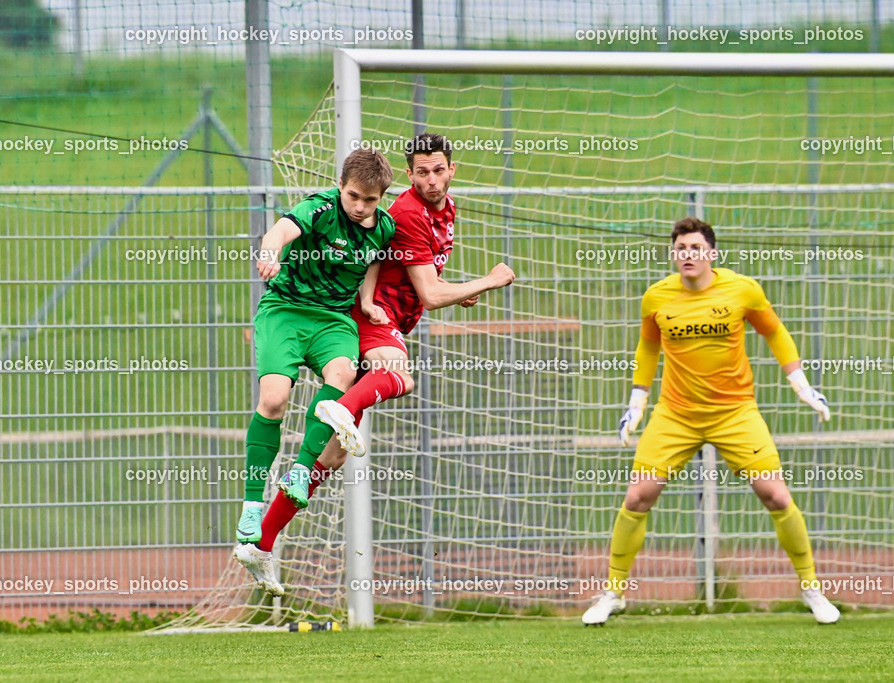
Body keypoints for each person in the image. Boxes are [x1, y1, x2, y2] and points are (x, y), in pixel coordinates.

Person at [243, 133, 515, 593]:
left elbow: (396, 265)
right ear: (409, 175)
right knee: (397, 376)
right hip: (374, 322)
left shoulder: (439, 212)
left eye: (439, 169)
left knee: (333, 455)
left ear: (452, 169)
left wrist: (453, 289)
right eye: (422, 171)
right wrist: (486, 282)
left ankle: (260, 544)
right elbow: (430, 294)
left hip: (383, 313)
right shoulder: (404, 212)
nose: (431, 179)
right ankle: (339, 410)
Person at [582, 217, 840, 625]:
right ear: (674, 254)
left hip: (735, 413)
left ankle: (812, 589)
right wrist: (637, 400)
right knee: (637, 498)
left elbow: (775, 332)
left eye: (695, 248)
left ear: (711, 254)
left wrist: (801, 384)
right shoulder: (656, 298)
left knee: (777, 497)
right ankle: (613, 593)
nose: (688, 255)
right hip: (675, 415)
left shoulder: (743, 289)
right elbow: (649, 346)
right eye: (681, 248)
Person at [232, 149, 396, 596]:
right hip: (285, 310)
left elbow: (374, 258)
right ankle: (251, 505)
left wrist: (365, 300)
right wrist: (269, 254)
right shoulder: (320, 208)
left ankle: (301, 472)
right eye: (353, 196)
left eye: (370, 199)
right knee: (274, 400)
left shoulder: (383, 226)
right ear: (340, 186)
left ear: (381, 197)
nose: (360, 206)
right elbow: (281, 231)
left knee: (342, 378)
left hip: (333, 320)